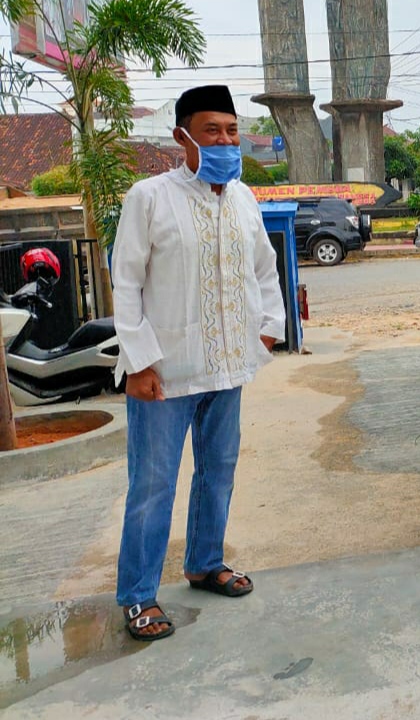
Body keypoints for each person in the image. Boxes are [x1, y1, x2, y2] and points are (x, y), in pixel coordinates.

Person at [112, 85, 285, 641]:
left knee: (219, 471)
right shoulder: (150, 197)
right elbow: (127, 281)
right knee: (154, 483)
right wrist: (138, 361)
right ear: (181, 136)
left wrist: (268, 329)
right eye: (213, 131)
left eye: (232, 131)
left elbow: (264, 268)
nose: (226, 141)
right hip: (165, 372)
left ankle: (204, 562)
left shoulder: (243, 199)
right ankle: (138, 595)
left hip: (228, 364)